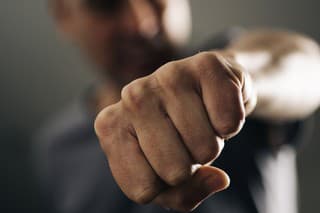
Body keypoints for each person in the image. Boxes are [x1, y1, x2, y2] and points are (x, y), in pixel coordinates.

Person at [34, 0, 320, 212]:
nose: (141, 24)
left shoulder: (227, 75)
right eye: (106, 5)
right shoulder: (57, 148)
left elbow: (303, 68)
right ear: (63, 16)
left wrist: (239, 76)